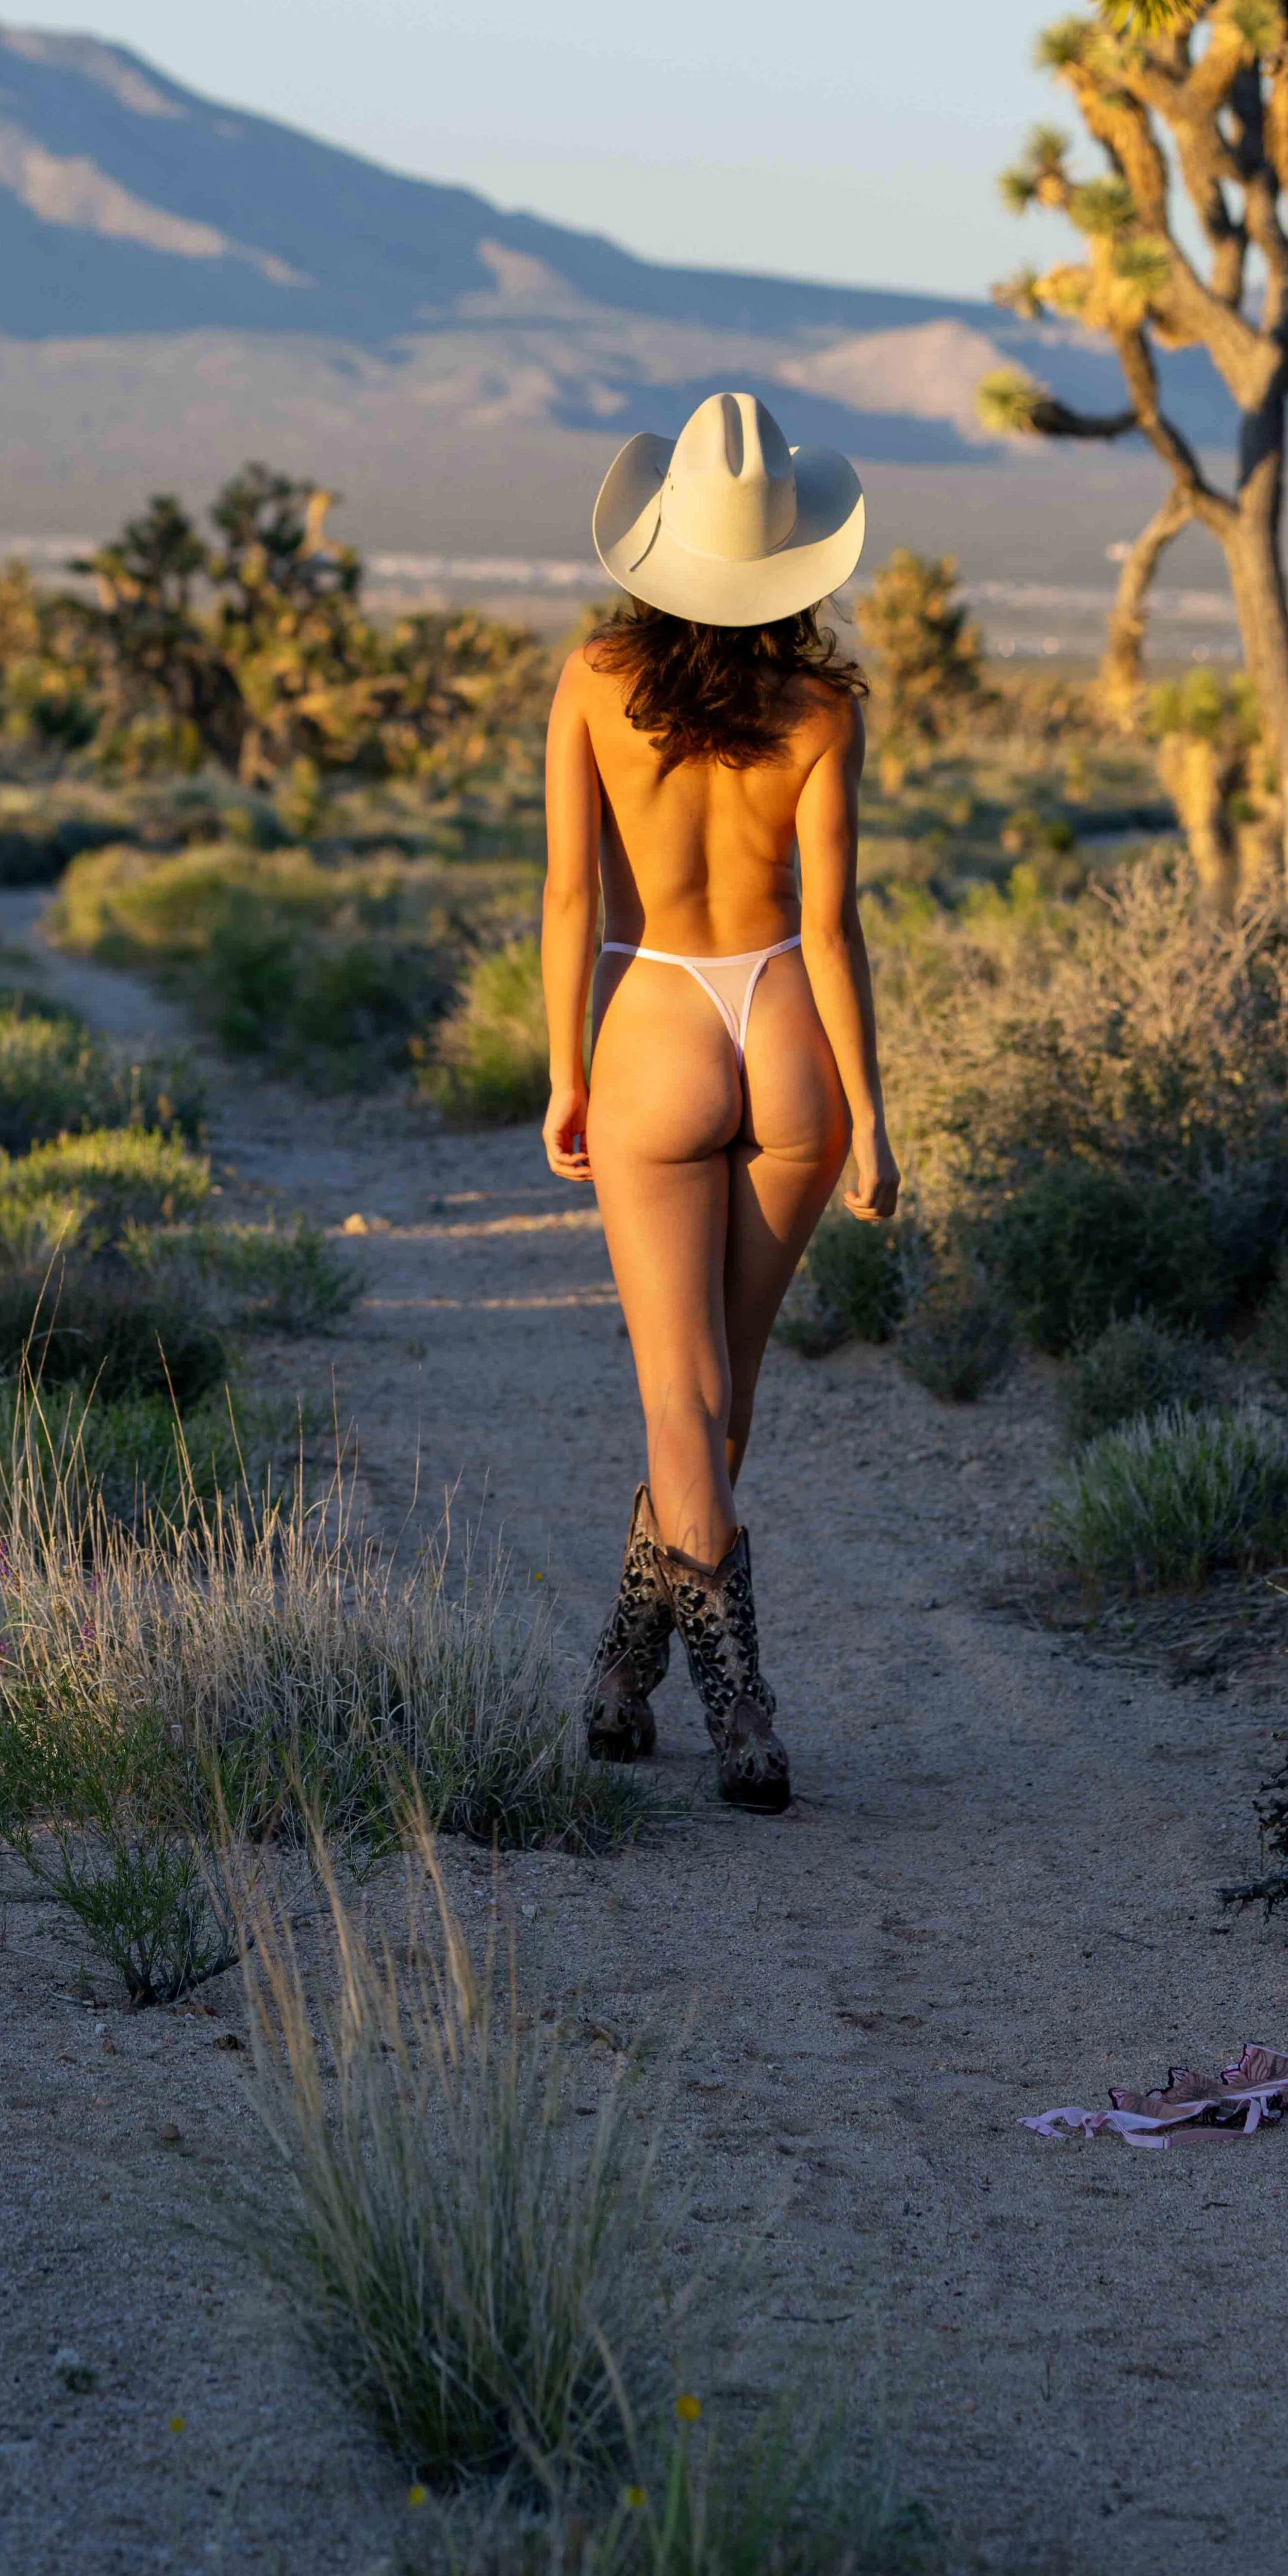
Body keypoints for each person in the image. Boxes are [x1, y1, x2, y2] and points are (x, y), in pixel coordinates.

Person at [538, 388, 899, 1812]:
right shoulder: (821, 707)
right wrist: (869, 1117)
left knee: (679, 1395)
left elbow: (571, 891)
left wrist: (565, 1069)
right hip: (788, 1033)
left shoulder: (592, 681)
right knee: (723, 1396)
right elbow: (833, 926)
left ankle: (738, 1703)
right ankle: (627, 1671)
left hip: (658, 1020)